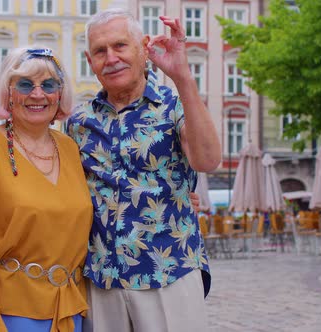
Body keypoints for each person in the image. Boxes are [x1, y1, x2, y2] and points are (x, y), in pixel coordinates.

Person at [65, 8, 221, 332]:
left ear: (143, 47)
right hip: (101, 280)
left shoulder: (173, 105)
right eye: (100, 51)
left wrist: (183, 77)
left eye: (120, 45)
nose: (111, 58)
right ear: (89, 59)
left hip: (169, 272)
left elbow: (207, 160)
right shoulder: (78, 123)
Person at [0, 47, 93, 332]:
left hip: (69, 312)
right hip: (10, 315)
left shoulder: (70, 148)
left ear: (59, 94)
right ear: (8, 93)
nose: (38, 94)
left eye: (49, 85)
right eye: (25, 85)